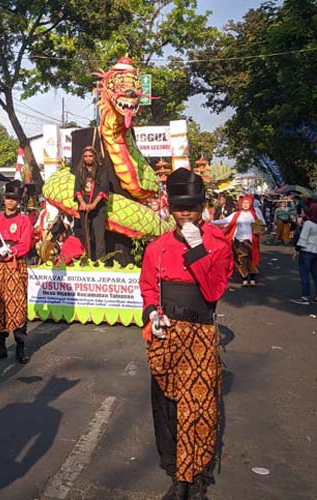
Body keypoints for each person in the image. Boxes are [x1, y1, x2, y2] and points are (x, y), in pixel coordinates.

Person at [139, 168, 233, 500]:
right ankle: (177, 474)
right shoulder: (158, 247)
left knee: (201, 406)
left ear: (202, 207)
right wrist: (152, 313)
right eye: (180, 209)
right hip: (167, 334)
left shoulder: (217, 243)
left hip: (200, 332)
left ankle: (199, 477)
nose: (185, 215)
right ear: (171, 208)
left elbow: (213, 291)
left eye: (191, 209)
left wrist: (198, 251)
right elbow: (149, 288)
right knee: (168, 406)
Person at [0, 180, 33, 364]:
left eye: (14, 199)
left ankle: (20, 347)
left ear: (19, 201)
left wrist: (14, 250)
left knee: (18, 306)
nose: (11, 202)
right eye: (8, 198)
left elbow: (26, 243)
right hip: (0, 268)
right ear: (4, 199)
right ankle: (0, 346)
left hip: (16, 267)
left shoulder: (24, 221)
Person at [211, 195, 265, 287]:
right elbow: (225, 220)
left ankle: (252, 277)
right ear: (241, 204)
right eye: (244, 203)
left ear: (250, 204)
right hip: (239, 240)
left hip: (252, 240)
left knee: (252, 259)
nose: (245, 205)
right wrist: (211, 222)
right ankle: (244, 277)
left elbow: (262, 223)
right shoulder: (237, 214)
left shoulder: (255, 213)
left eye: (247, 203)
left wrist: (259, 225)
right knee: (241, 259)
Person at [74, 145, 109, 260]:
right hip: (84, 208)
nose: (88, 158)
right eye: (85, 156)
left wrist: (93, 204)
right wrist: (82, 203)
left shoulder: (101, 170)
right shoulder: (80, 171)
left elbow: (103, 189)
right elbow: (77, 189)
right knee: (86, 237)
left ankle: (101, 263)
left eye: (90, 156)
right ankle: (88, 261)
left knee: (99, 238)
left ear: (94, 156)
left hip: (98, 209)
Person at [290, 203, 317, 304]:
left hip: (306, 251)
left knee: (305, 274)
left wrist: (296, 250)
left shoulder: (308, 224)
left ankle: (305, 297)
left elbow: (303, 238)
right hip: (316, 251)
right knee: (315, 274)